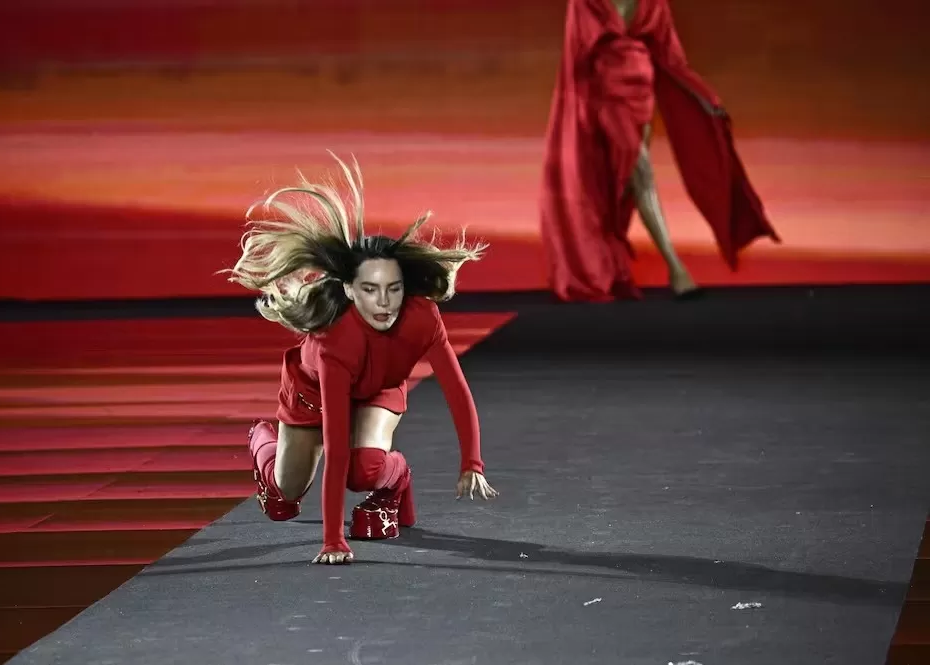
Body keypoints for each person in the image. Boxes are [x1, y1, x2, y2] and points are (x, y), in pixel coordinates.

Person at [222, 154, 499, 565]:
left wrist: (472, 461)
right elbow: (334, 444)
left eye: (394, 289)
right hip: (314, 392)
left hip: (378, 386)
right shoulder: (336, 340)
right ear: (350, 290)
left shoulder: (423, 317)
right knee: (285, 497)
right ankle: (264, 438)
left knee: (364, 470)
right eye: (370, 289)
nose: (384, 303)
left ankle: (395, 480)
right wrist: (333, 539)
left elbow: (457, 390)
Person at [539, 0, 780, 302]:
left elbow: (670, 55)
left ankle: (610, 262)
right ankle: (676, 268)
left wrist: (703, 97)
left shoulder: (654, 3)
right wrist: (581, 113)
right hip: (605, 95)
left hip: (641, 94)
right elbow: (578, 55)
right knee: (641, 172)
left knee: (626, 181)